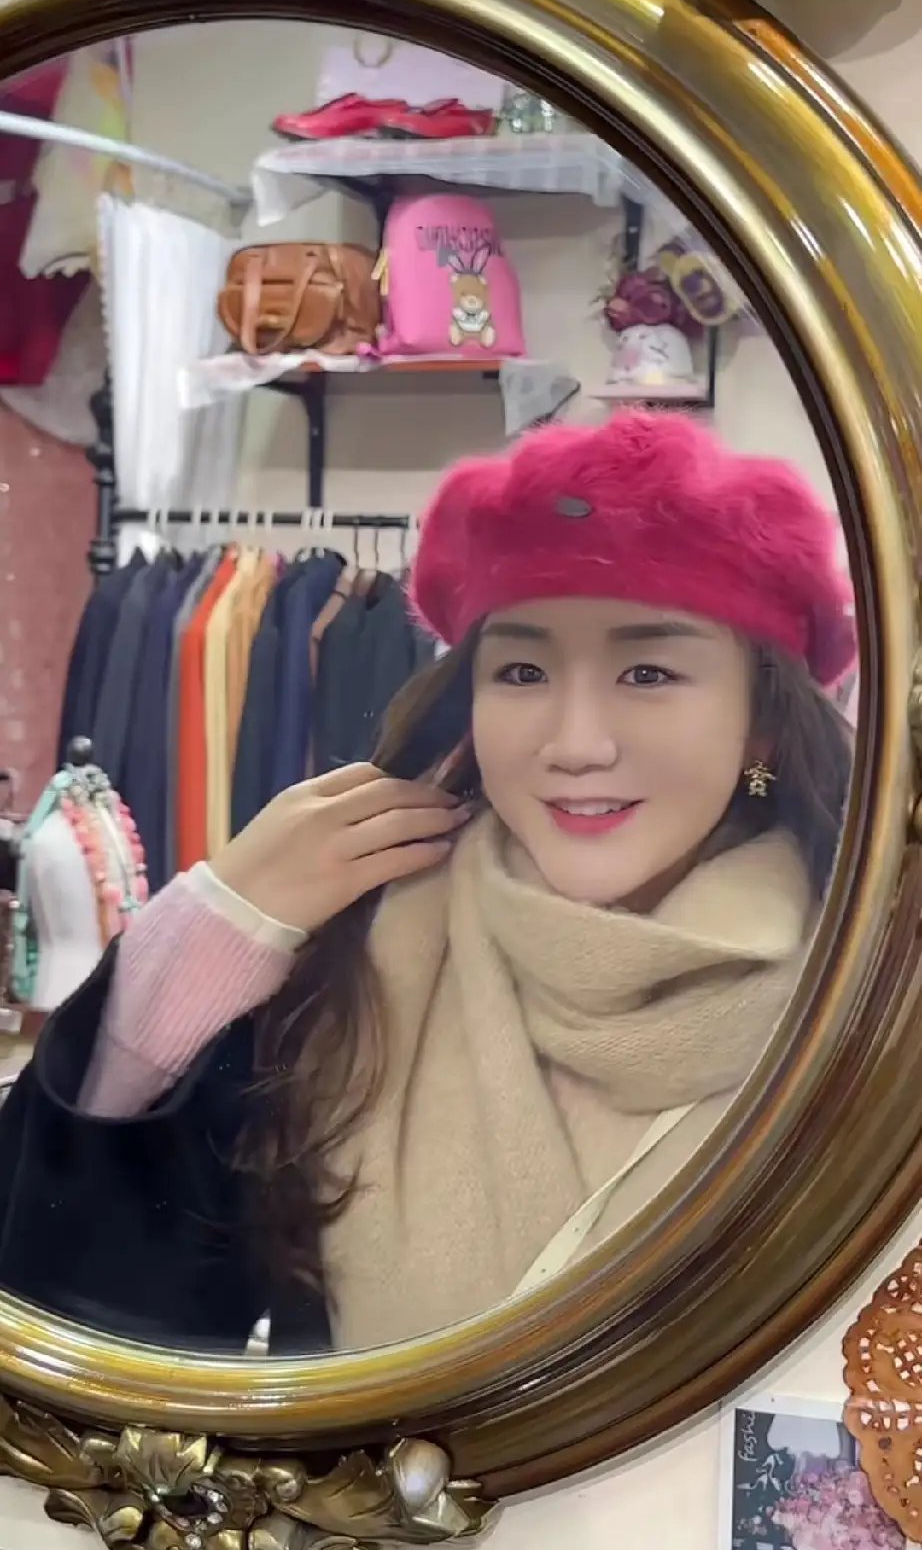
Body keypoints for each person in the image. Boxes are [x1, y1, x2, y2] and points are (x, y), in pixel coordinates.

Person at [0, 411, 855, 1355]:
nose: (576, 744)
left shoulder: (864, 999)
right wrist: (209, 931)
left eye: (648, 671)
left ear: (761, 721)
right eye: (522, 670)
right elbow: (78, 1338)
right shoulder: (354, 965)